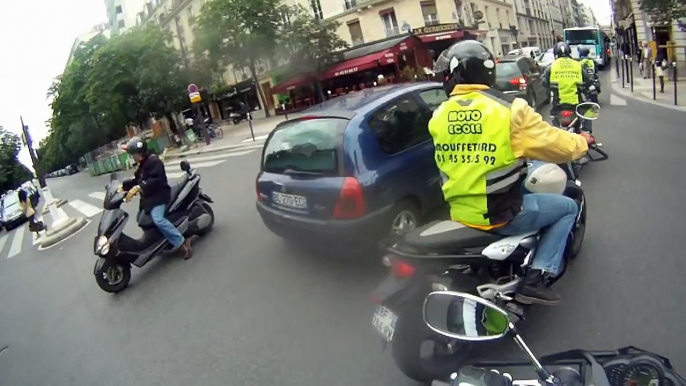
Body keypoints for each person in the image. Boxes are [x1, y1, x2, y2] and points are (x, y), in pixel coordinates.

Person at [430, 41, 590, 305]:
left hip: (458, 211)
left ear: (456, 74)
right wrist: (583, 142)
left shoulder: (439, 114)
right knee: (568, 208)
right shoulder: (508, 109)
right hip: (500, 213)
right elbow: (554, 144)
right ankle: (536, 277)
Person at [122, 137, 193, 259]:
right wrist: (124, 187)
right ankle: (161, 241)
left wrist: (139, 187)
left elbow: (155, 180)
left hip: (159, 196)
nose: (132, 157)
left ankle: (182, 242)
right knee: (142, 219)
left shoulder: (154, 161)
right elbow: (138, 180)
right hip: (149, 199)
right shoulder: (142, 164)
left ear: (141, 152)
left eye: (133, 154)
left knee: (158, 219)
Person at [545, 42, 594, 132]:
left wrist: (551, 87)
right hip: (576, 103)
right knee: (588, 112)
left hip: (558, 104)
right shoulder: (577, 65)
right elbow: (588, 80)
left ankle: (556, 131)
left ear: (555, 53)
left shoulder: (551, 67)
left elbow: (544, 82)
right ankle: (587, 134)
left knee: (553, 118)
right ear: (569, 52)